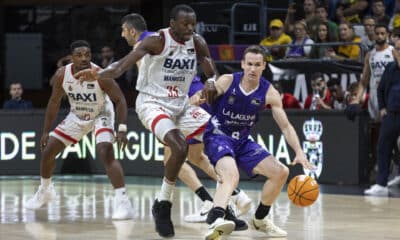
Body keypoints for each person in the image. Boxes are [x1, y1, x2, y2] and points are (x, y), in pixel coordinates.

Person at [74, 5, 224, 238]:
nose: (190, 28)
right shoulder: (156, 41)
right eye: (185, 24)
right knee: (180, 149)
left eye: (193, 24)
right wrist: (98, 74)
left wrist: (212, 81)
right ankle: (164, 204)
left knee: (219, 138)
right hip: (153, 103)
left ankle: (227, 201)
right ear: (172, 24)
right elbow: (120, 66)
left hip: (181, 103)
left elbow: (209, 67)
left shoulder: (196, 41)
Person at [119, 13, 251, 223]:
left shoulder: (145, 45)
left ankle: (228, 198)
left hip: (183, 99)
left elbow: (148, 82)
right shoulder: (166, 38)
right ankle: (227, 198)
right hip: (198, 91)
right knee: (197, 157)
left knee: (175, 159)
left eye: (124, 30)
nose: (122, 34)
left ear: (132, 31)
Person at [202, 45, 313, 239]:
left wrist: (299, 151)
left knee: (280, 172)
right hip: (218, 135)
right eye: (249, 64)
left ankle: (260, 219)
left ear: (264, 66)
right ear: (243, 64)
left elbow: (286, 126)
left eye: (257, 65)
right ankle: (216, 219)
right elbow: (208, 93)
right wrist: (199, 95)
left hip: (242, 141)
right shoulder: (228, 81)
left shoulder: (269, 93)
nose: (253, 69)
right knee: (231, 175)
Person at [24, 40, 133, 220]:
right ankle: (45, 191)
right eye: (79, 55)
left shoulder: (101, 74)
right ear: (71, 58)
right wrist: (46, 131)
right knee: (48, 151)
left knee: (105, 152)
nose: (84, 58)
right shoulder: (62, 75)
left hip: (101, 113)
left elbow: (120, 100)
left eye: (87, 55)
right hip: (78, 115)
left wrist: (121, 129)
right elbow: (54, 102)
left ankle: (123, 202)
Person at [364, 49, 400, 196]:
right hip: (391, 114)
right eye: (397, 49)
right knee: (383, 146)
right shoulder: (390, 68)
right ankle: (381, 184)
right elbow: (380, 89)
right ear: (393, 53)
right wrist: (383, 107)